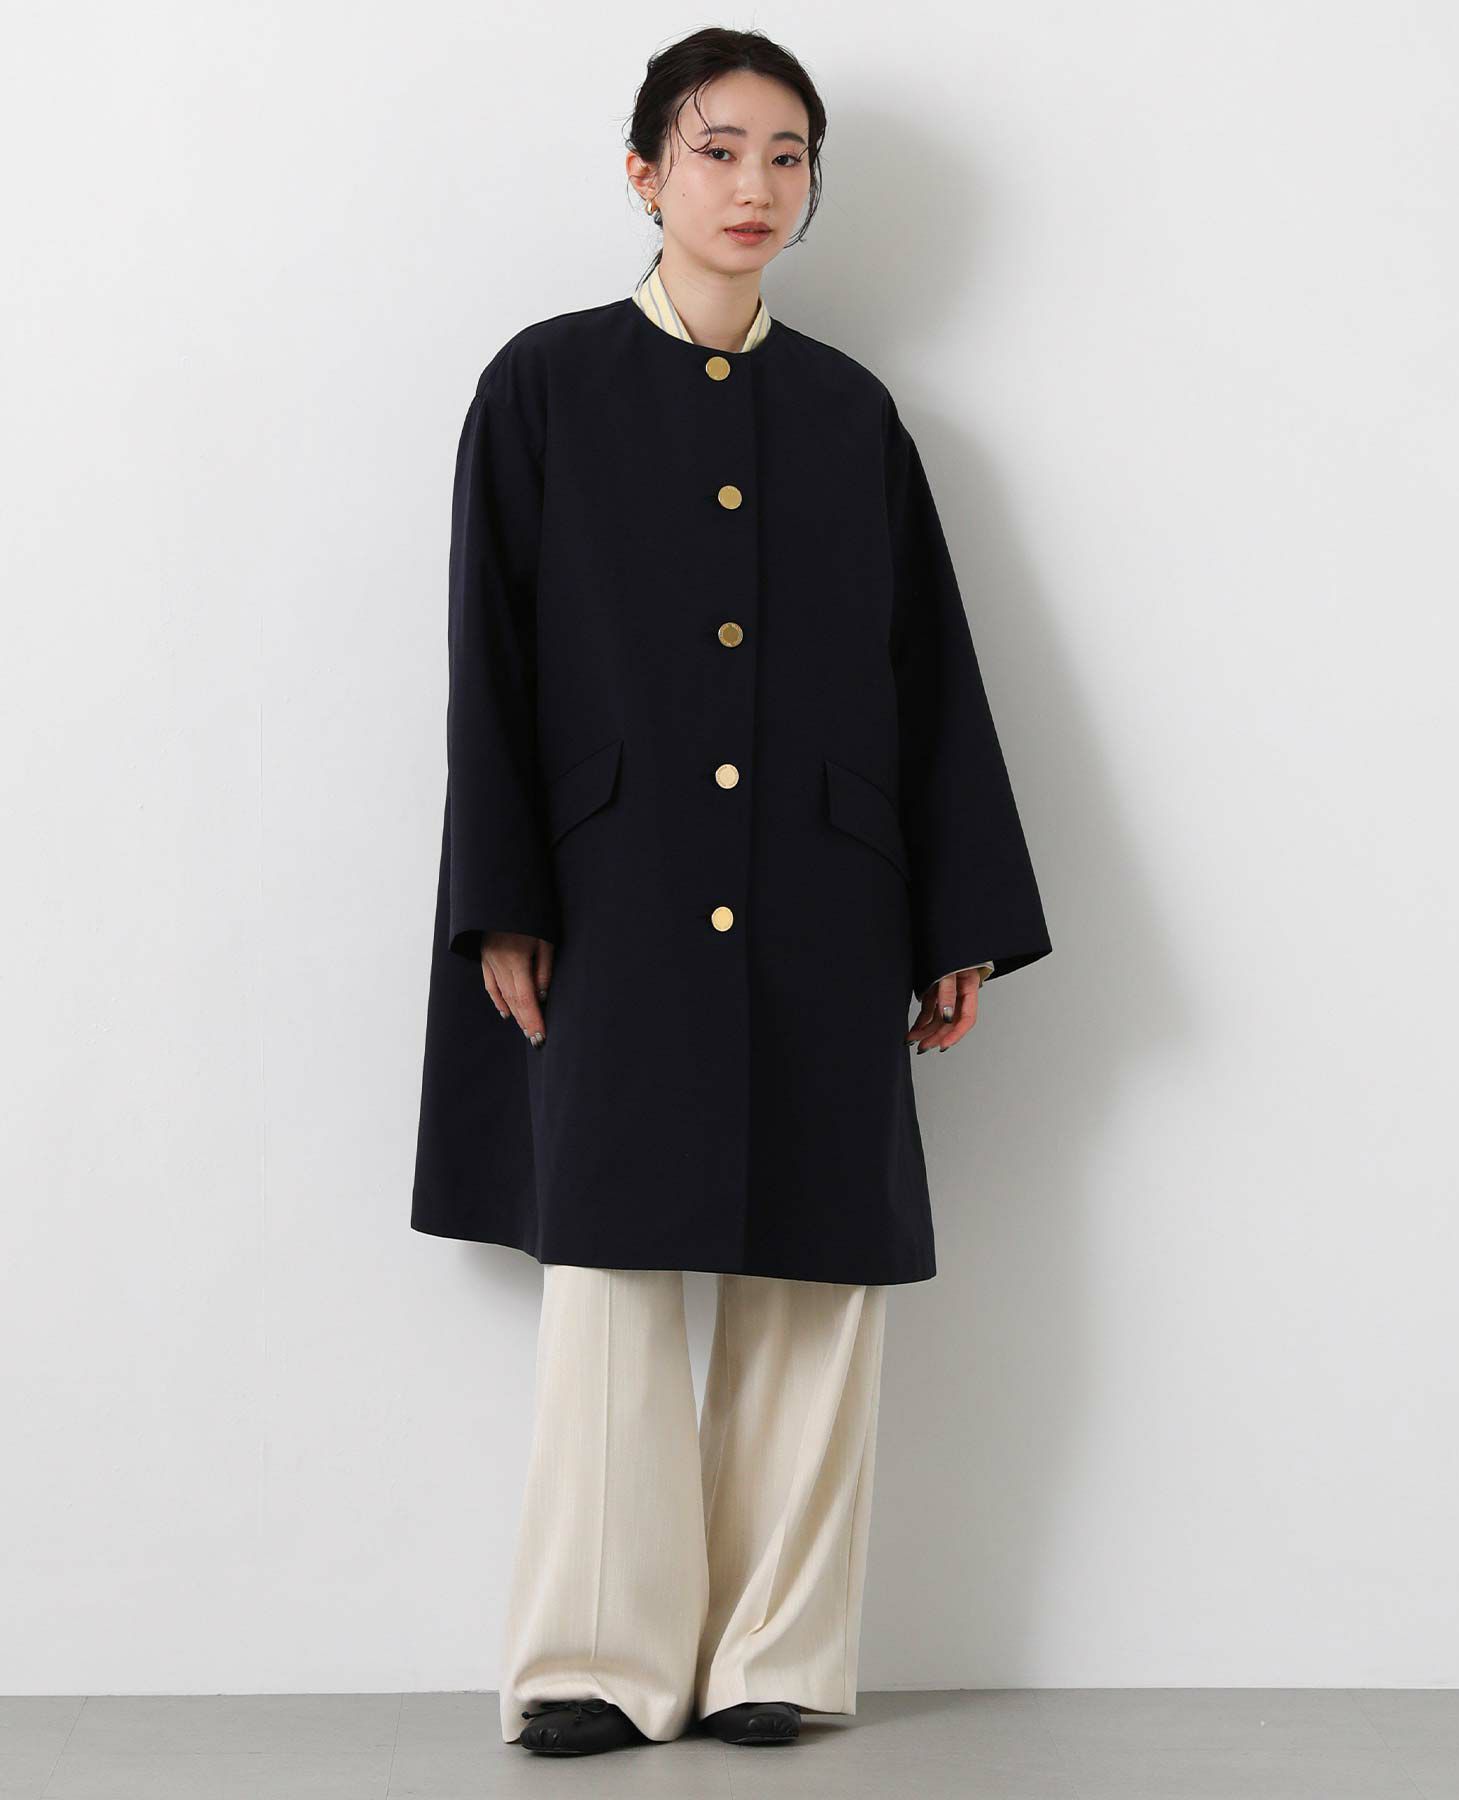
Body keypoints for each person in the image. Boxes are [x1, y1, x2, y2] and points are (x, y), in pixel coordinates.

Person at [410, 26, 1052, 1758]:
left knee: (814, 1268)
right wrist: (504, 897)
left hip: (830, 895)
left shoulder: (852, 415)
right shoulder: (542, 387)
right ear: (645, 172)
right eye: (716, 149)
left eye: (786, 155)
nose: (755, 185)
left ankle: (778, 1650)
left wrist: (953, 917)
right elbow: (487, 666)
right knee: (612, 1272)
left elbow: (929, 676)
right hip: (613, 893)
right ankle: (594, 1661)